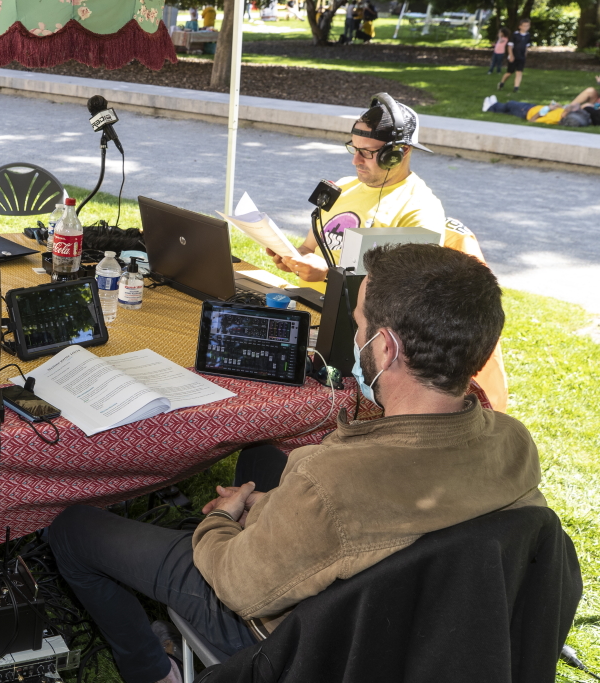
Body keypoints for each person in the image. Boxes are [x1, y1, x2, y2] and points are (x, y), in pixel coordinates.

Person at [47, 242, 544, 683]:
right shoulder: (513, 442)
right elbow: (367, 517)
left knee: (71, 530)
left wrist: (222, 519)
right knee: (262, 457)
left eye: (359, 325)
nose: (356, 336)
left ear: (386, 347)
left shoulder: (328, 482)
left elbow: (238, 586)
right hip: (423, 626)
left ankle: (152, 671)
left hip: (288, 639)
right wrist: (276, 506)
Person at [264, 96, 445, 292]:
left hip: (355, 320)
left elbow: (409, 290)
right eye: (355, 148)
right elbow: (309, 247)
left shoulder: (421, 210)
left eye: (367, 152)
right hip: (306, 303)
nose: (356, 160)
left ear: (400, 153)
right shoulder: (340, 187)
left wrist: (328, 273)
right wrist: (294, 259)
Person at [498, 17, 532, 92]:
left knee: (519, 72)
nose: (526, 27)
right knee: (509, 72)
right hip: (514, 56)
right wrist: (511, 55)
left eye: (528, 26)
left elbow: (526, 46)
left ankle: (516, 88)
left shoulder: (528, 35)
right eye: (524, 25)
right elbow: (510, 46)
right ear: (520, 26)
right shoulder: (515, 35)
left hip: (521, 57)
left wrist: (525, 55)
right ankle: (502, 82)